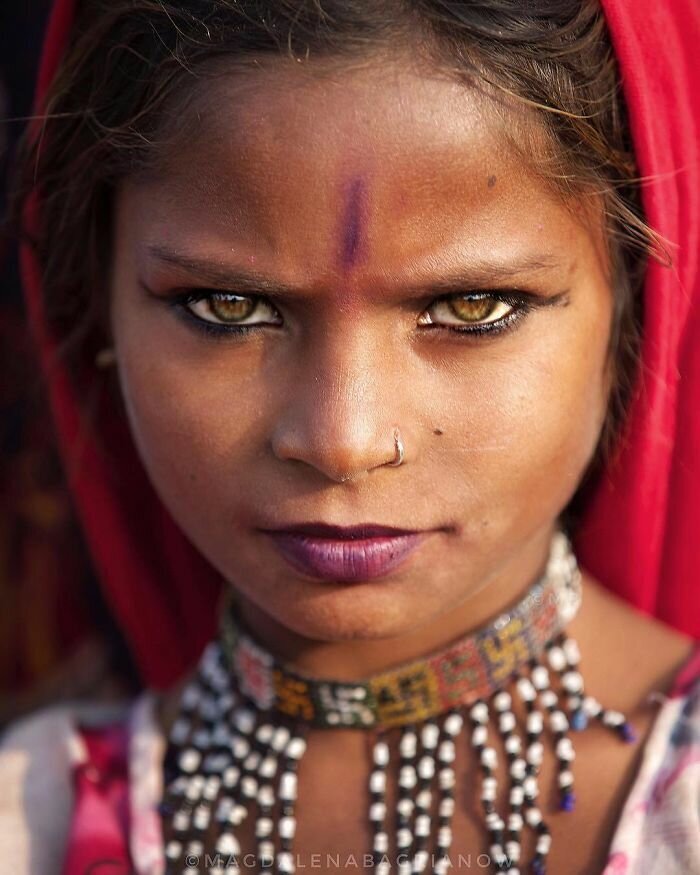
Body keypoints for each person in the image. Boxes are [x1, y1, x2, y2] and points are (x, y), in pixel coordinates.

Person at [1, 1, 699, 874]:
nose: (343, 440)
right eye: (228, 307)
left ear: (633, 307)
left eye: (472, 307)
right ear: (94, 300)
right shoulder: (32, 819)